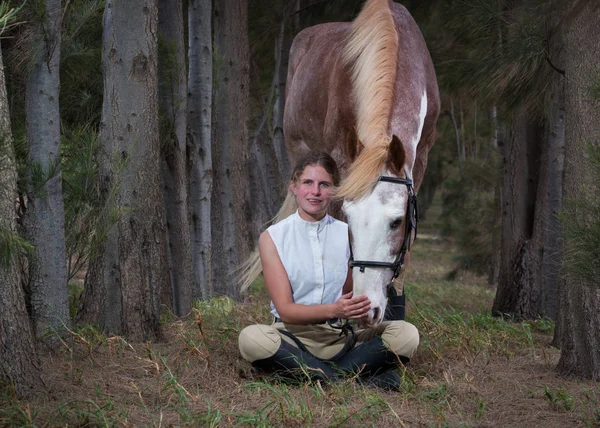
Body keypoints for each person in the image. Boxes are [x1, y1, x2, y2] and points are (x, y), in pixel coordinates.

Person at [238, 151, 419, 390]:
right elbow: (286, 310)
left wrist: (362, 305)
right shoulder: (273, 237)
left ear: (334, 191)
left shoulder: (348, 233)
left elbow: (352, 292)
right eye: (308, 183)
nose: (315, 191)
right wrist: (334, 309)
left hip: (340, 337)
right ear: (294, 187)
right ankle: (350, 378)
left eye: (324, 184)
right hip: (290, 337)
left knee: (407, 334)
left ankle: (311, 375)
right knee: (251, 339)